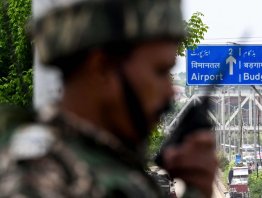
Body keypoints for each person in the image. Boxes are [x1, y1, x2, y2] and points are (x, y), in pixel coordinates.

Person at [0, 0, 217, 197]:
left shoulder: (109, 165)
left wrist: (196, 188)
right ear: (102, 68)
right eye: (160, 71)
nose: (171, 91)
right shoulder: (38, 177)